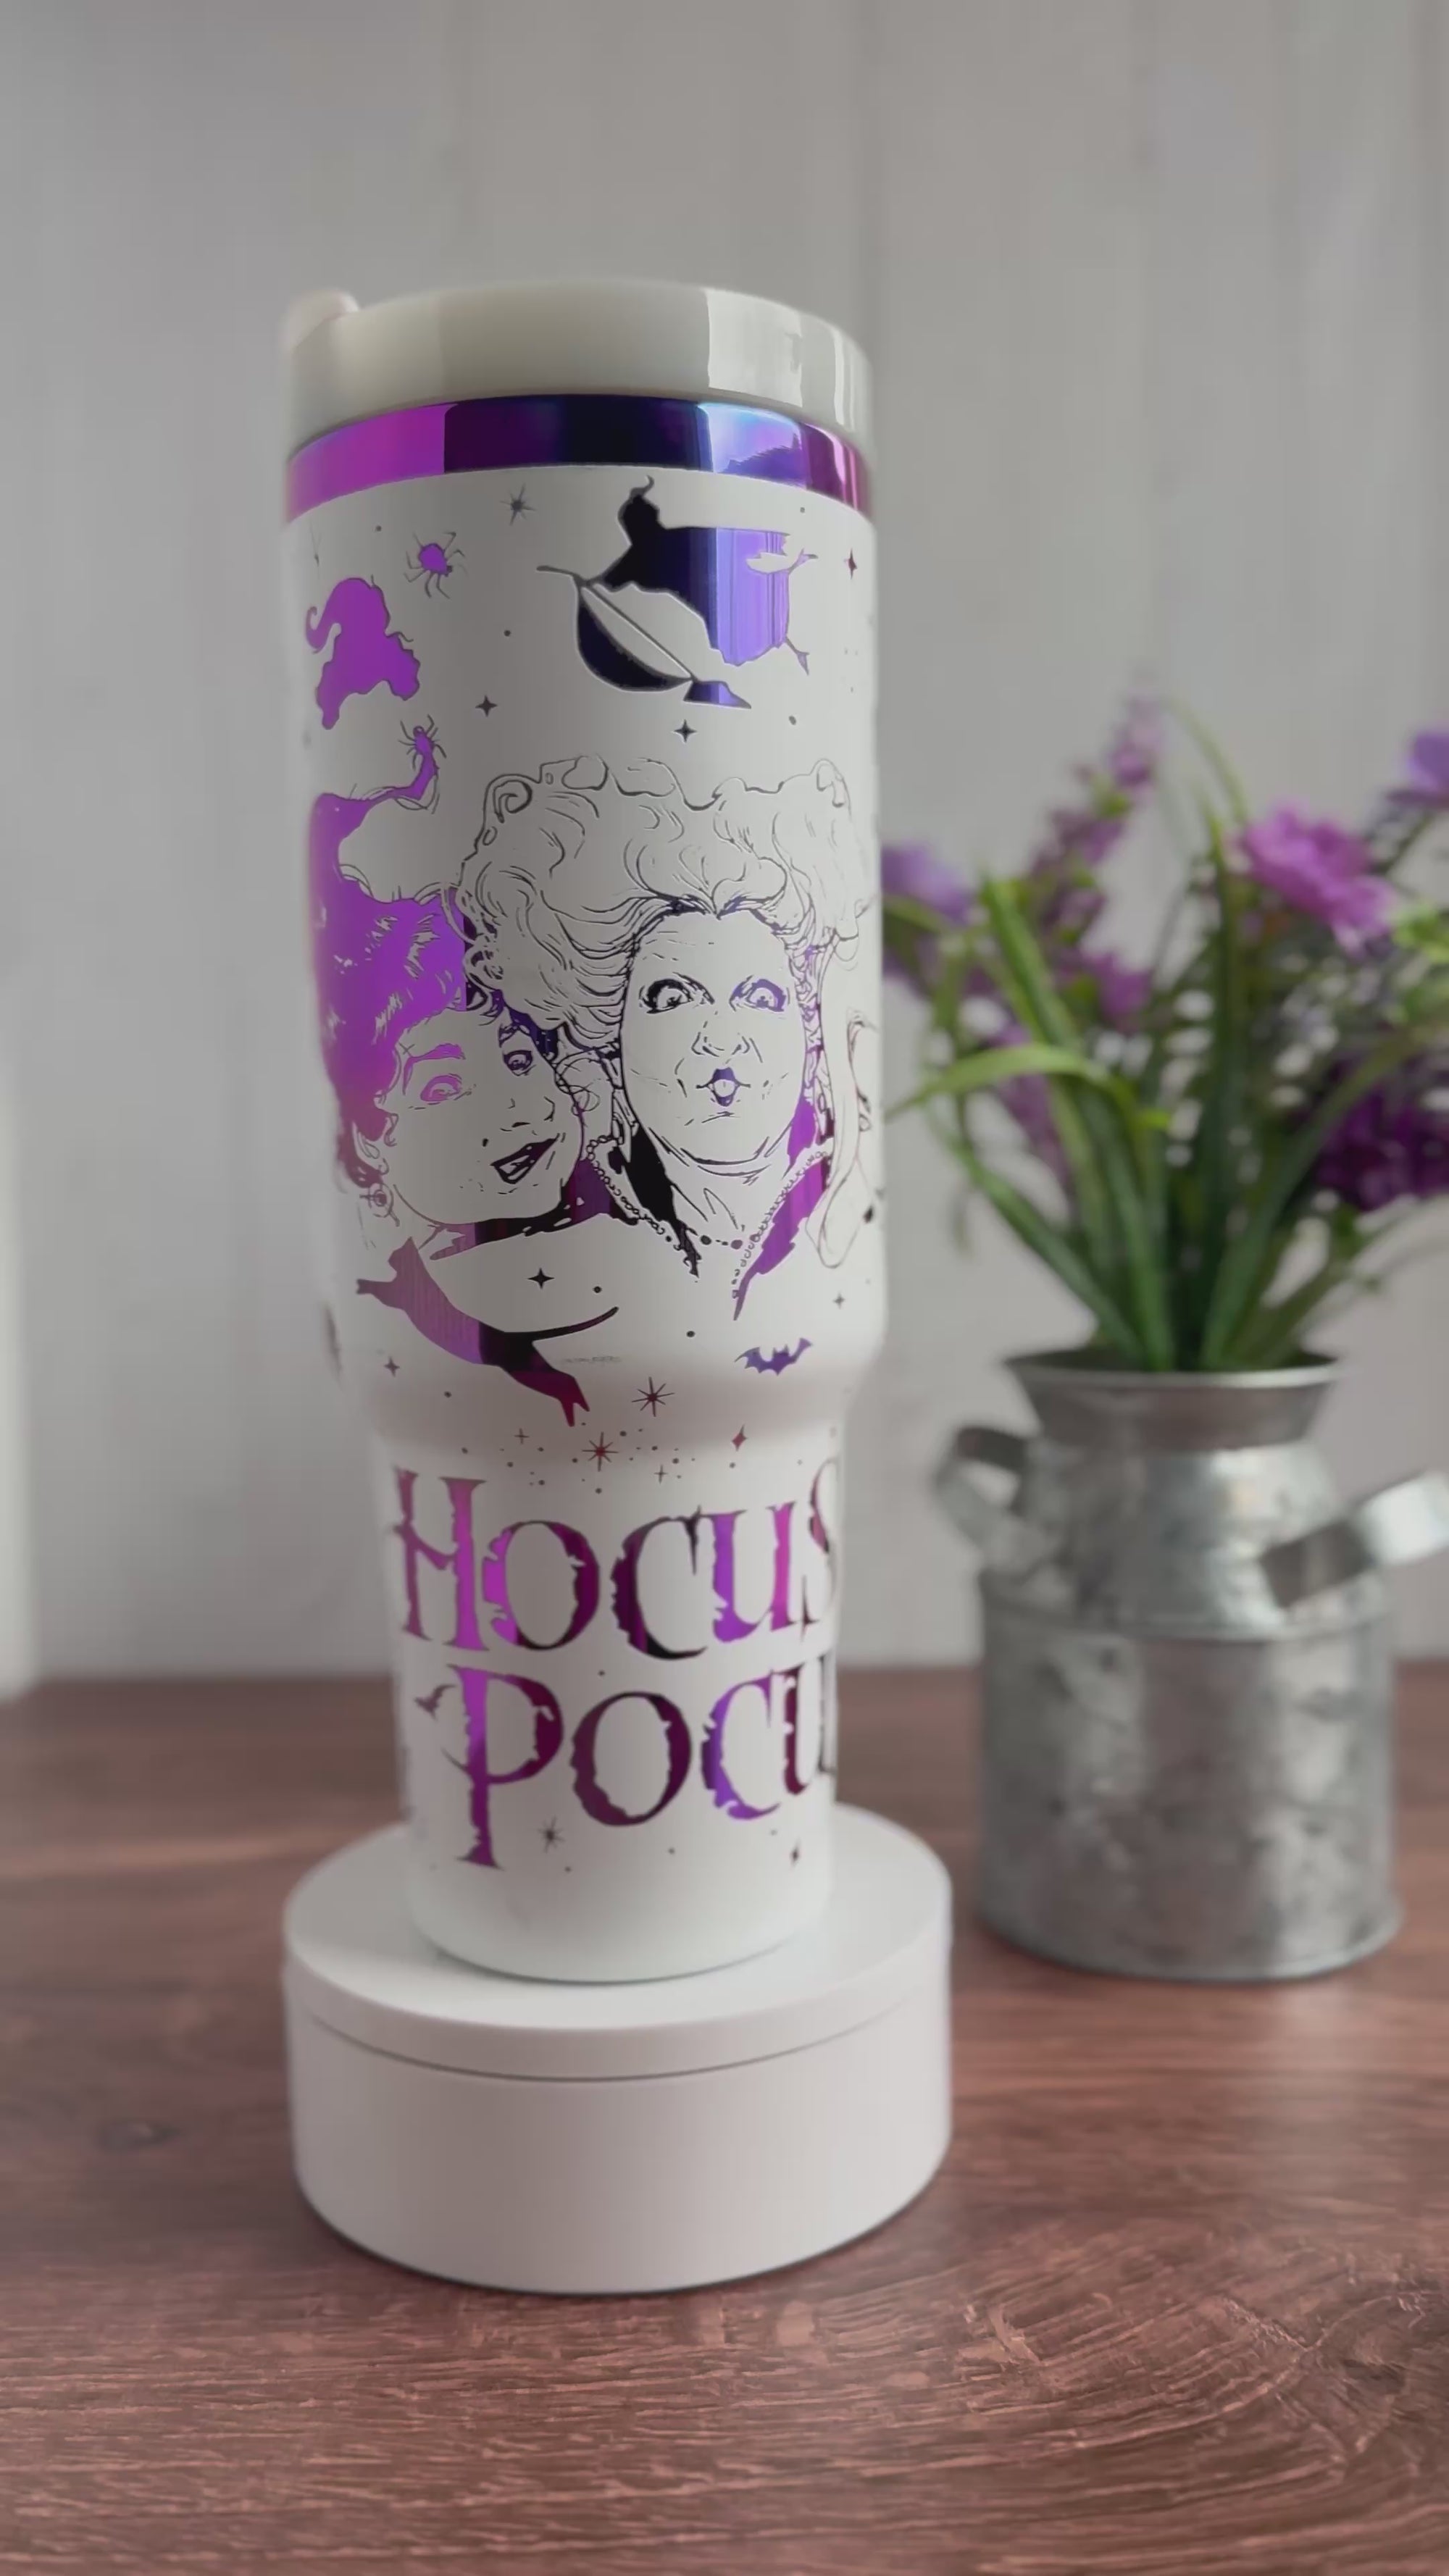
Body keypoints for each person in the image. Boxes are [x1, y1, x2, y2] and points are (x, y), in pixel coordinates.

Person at [454, 756, 875, 1317]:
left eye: (759, 997)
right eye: (675, 998)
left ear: (809, 1033)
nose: (722, 1039)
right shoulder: (525, 1270)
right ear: (610, 1035)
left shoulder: (842, 1216)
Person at [309, 725, 614, 1420]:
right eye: (445, 1086)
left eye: (520, 1058)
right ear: (369, 1138)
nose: (515, 1107)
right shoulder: (402, 1300)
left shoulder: (632, 1238)